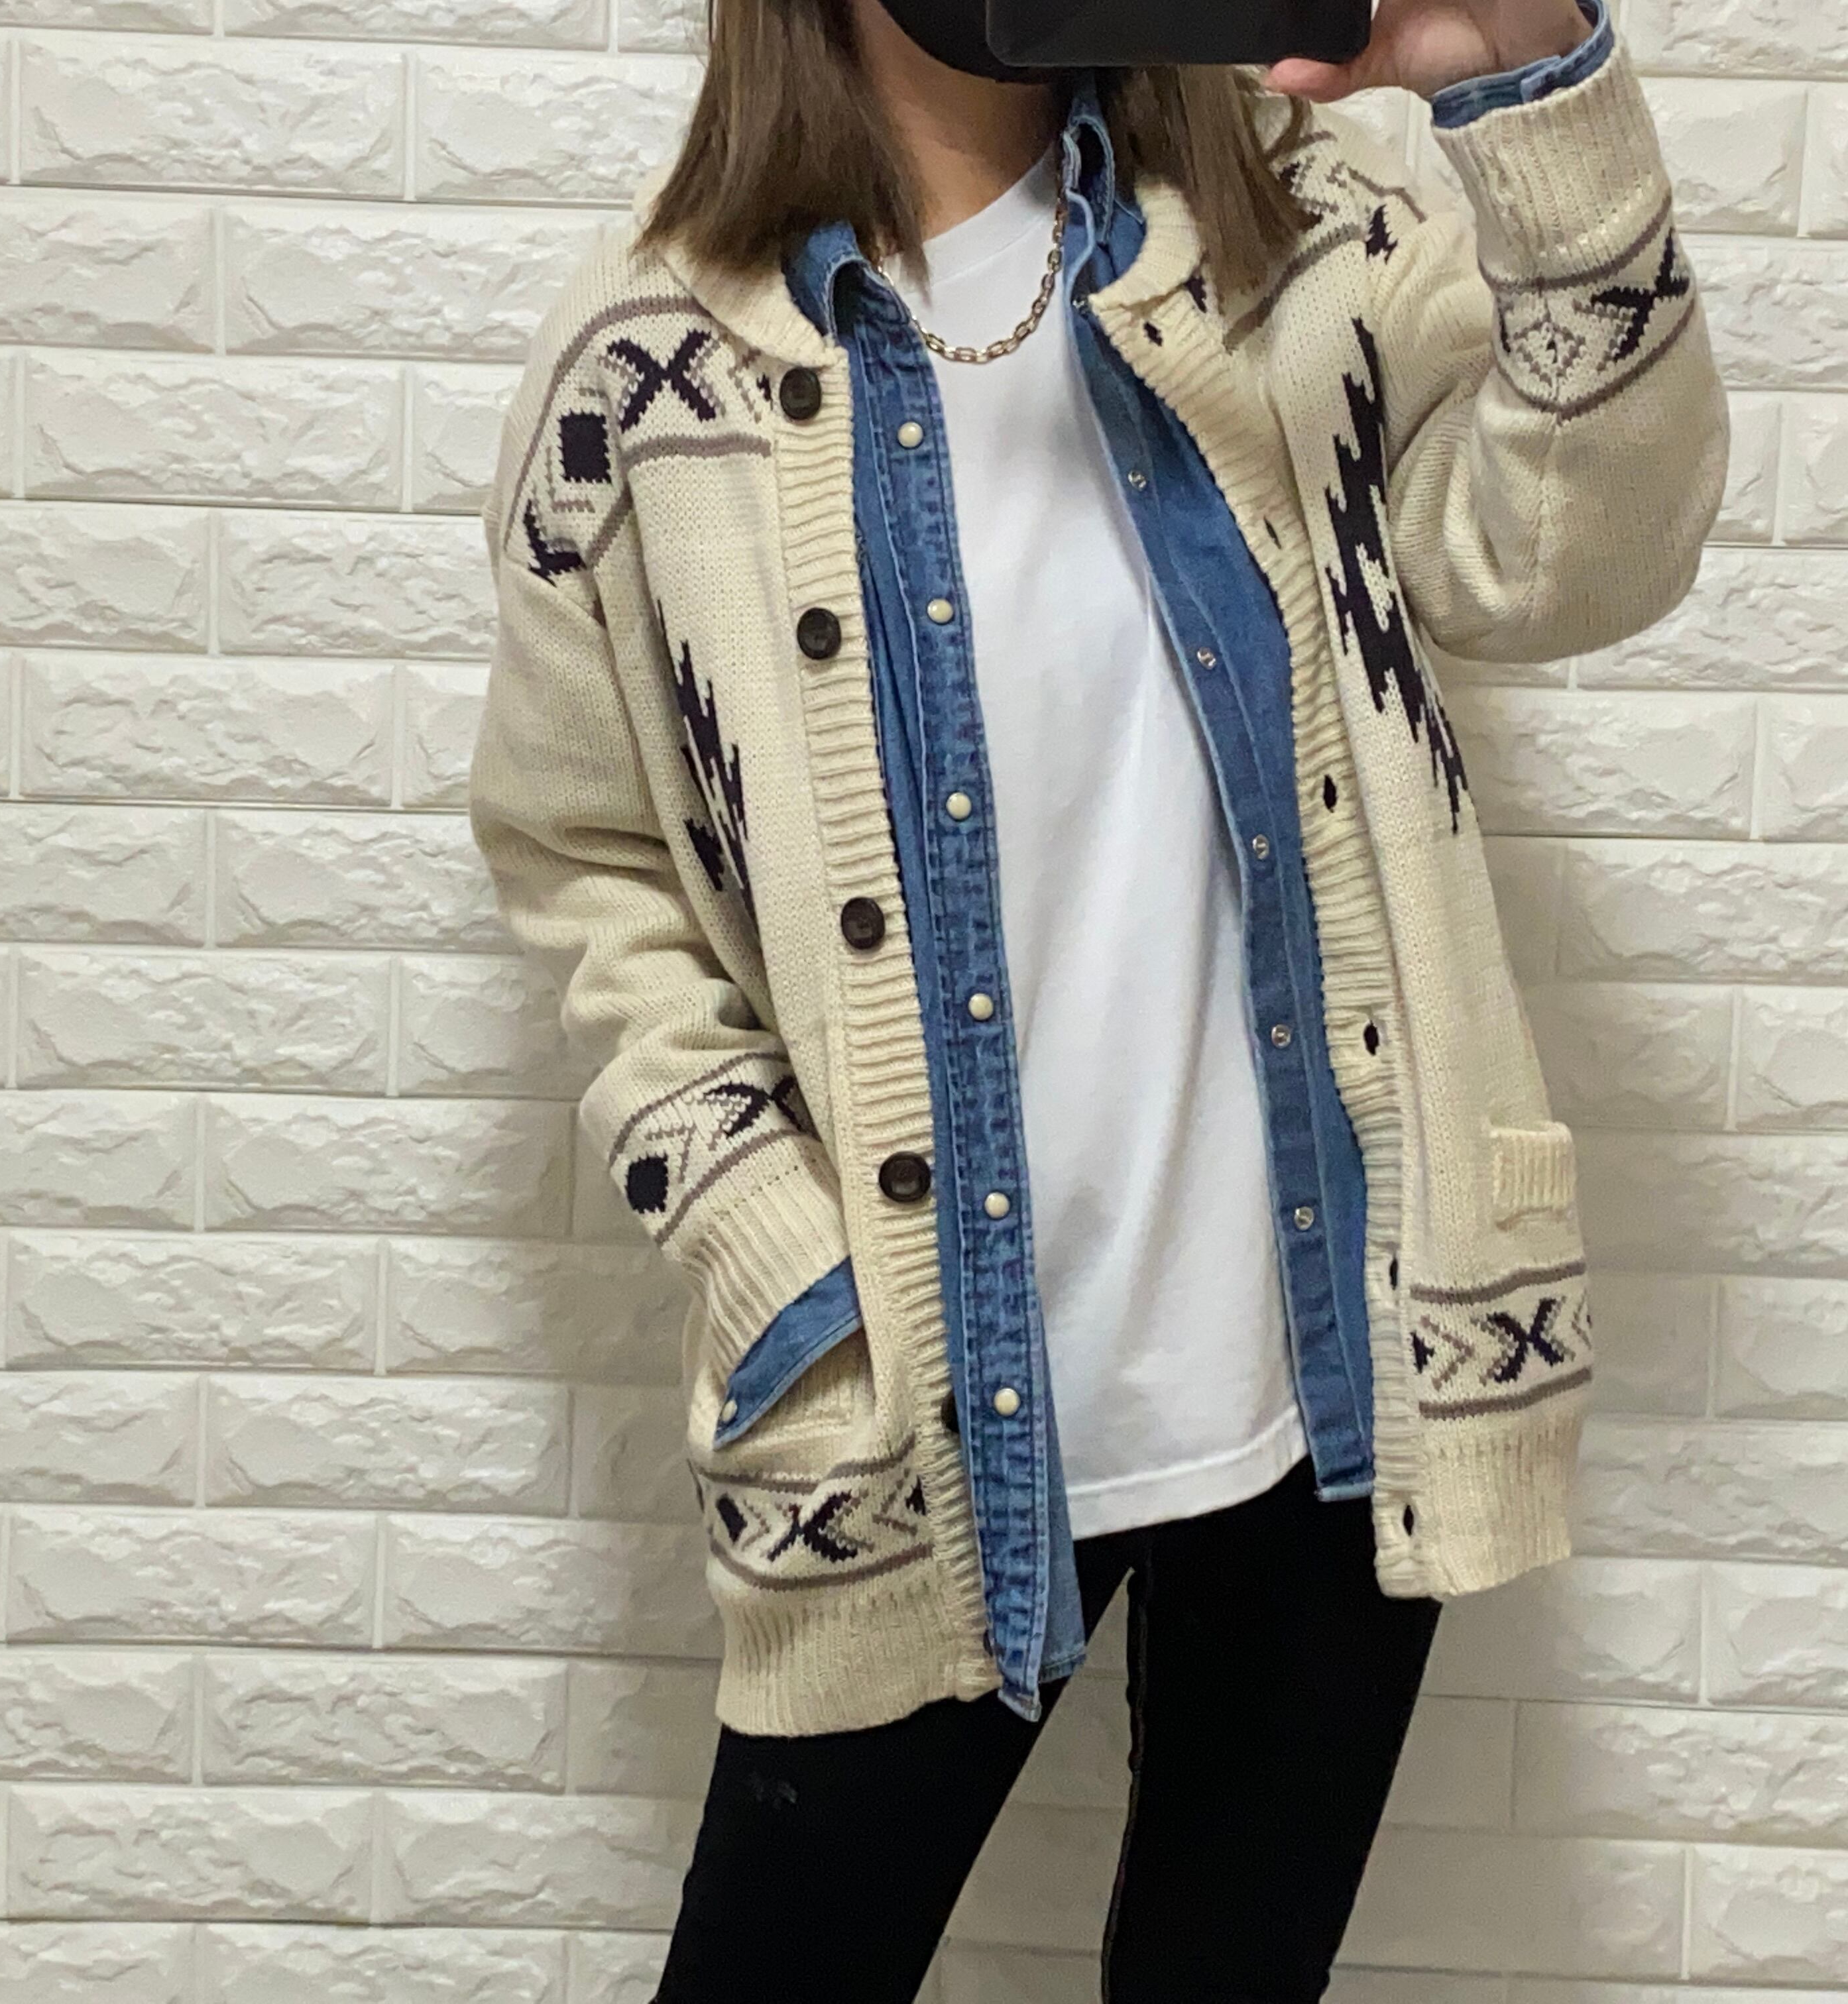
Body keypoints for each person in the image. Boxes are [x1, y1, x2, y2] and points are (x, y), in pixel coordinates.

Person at [468, 0, 1727, 1993]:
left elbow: (1579, 559)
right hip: (909, 1416)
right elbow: (580, 854)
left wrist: (1534, 84)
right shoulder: (650, 366)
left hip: (1335, 1393)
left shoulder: (1306, 235)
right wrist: (778, 1258)